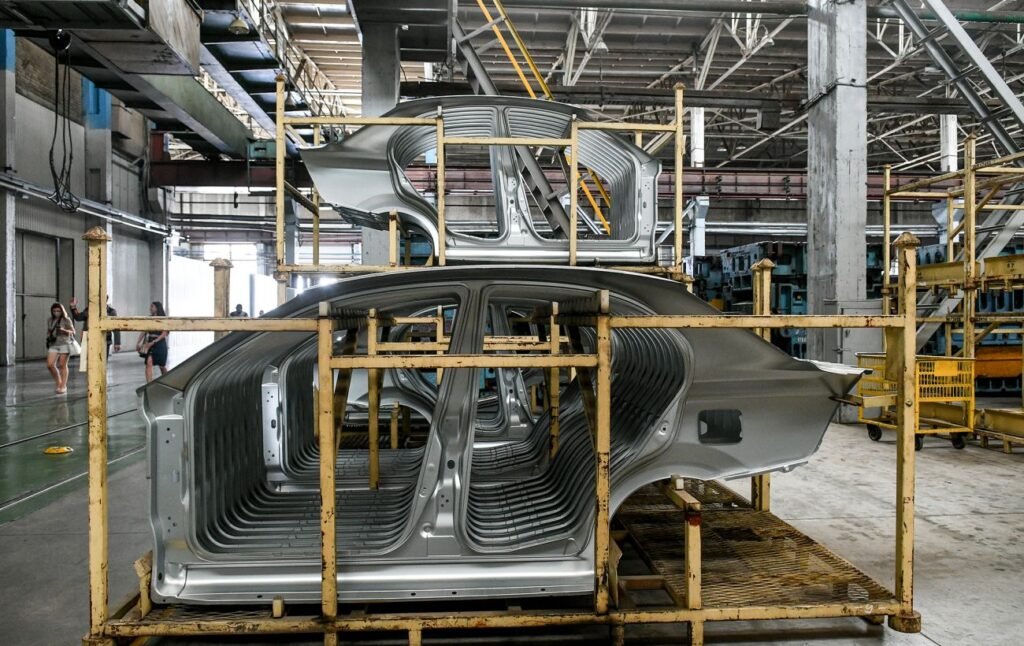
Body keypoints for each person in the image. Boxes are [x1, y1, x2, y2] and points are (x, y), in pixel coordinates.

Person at [45, 302, 76, 394]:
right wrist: (49, 335)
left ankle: (63, 386)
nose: (56, 312)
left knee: (62, 365)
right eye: (54, 311)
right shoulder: (50, 320)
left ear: (62, 311)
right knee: (50, 365)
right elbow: (49, 330)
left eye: (58, 311)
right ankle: (58, 382)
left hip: (65, 343)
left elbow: (73, 332)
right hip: (54, 344)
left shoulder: (66, 320)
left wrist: (64, 330)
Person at [136, 301, 169, 382]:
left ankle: (167, 381)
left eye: (152, 306)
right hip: (149, 343)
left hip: (160, 344)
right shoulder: (149, 319)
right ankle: (149, 384)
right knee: (149, 362)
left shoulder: (164, 319)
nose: (150, 308)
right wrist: (138, 342)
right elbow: (144, 331)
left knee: (162, 366)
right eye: (150, 306)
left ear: (157, 308)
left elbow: (164, 334)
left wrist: (153, 342)